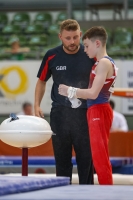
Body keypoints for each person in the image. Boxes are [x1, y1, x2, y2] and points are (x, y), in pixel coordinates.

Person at [34, 19, 94, 184]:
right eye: (68, 38)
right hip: (60, 115)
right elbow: (41, 81)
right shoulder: (51, 55)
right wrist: (37, 105)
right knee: (62, 163)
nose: (72, 42)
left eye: (75, 37)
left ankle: (88, 195)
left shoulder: (90, 54)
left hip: (85, 114)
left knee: (86, 162)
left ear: (80, 35)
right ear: (60, 37)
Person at [58, 26, 118, 185]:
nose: (84, 49)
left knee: (99, 157)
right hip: (96, 110)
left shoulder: (104, 63)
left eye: (86, 45)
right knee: (98, 156)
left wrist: (70, 90)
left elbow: (93, 93)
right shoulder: (101, 63)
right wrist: (76, 97)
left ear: (97, 43)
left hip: (99, 109)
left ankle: (107, 193)